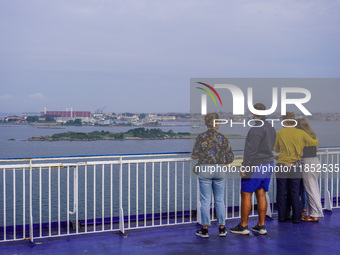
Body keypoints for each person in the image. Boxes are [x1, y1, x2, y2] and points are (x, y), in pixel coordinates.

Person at [229, 103, 276, 235]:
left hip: (256, 165)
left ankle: (243, 226)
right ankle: (261, 226)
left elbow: (251, 151)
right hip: (268, 164)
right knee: (261, 193)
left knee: (246, 194)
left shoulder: (256, 129)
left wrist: (245, 167)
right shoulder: (271, 127)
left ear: (254, 113)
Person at [192, 112, 233, 238]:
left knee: (205, 200)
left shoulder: (201, 137)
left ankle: (204, 229)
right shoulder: (223, 137)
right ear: (217, 123)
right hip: (219, 169)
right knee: (220, 200)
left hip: (205, 169)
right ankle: (222, 228)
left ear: (207, 123)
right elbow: (230, 157)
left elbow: (194, 155)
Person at [274, 112, 318, 223]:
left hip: (282, 164)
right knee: (294, 191)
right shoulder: (300, 133)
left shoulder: (279, 133)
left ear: (283, 121)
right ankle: (297, 217)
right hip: (295, 165)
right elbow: (314, 142)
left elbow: (276, 149)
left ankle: (282, 216)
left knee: (281, 191)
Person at [296, 118, 324, 222]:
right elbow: (316, 149)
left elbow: (300, 154)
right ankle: (310, 212)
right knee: (312, 188)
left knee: (311, 190)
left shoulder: (301, 137)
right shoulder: (313, 135)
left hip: (307, 163)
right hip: (315, 161)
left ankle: (315, 214)